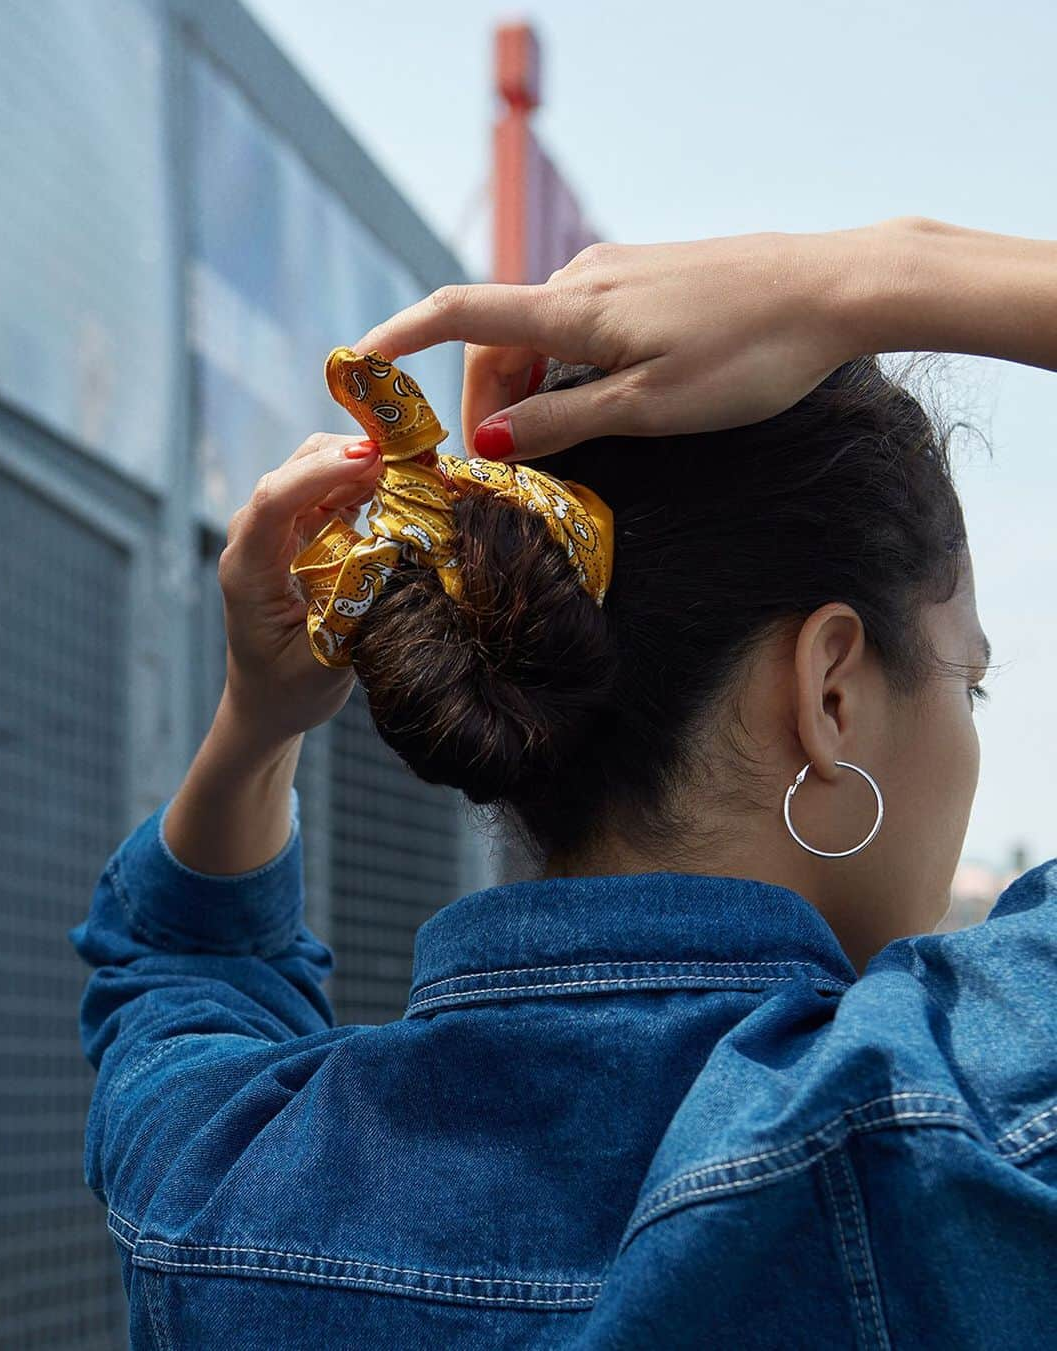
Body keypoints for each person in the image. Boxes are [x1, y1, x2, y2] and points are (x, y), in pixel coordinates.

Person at [71, 216, 1055, 1348]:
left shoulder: (220, 1192)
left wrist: (258, 719)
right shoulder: (973, 1125)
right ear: (831, 692)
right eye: (965, 682)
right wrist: (876, 272)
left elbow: (176, 963)